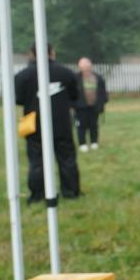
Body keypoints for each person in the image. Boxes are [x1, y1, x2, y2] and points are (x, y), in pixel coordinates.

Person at [14, 44, 81, 202]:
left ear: (32, 54)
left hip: (34, 124)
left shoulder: (23, 75)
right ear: (52, 53)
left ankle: (38, 194)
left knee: (37, 161)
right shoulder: (66, 73)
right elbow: (74, 95)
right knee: (66, 158)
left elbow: (18, 99)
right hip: (62, 123)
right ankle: (71, 191)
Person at [74, 57, 108, 152]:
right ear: (80, 66)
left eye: (88, 65)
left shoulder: (98, 77)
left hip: (94, 106)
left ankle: (94, 142)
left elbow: (103, 92)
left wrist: (103, 102)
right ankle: (82, 144)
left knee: (94, 125)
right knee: (81, 126)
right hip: (81, 107)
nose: (86, 67)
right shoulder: (76, 78)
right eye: (84, 65)